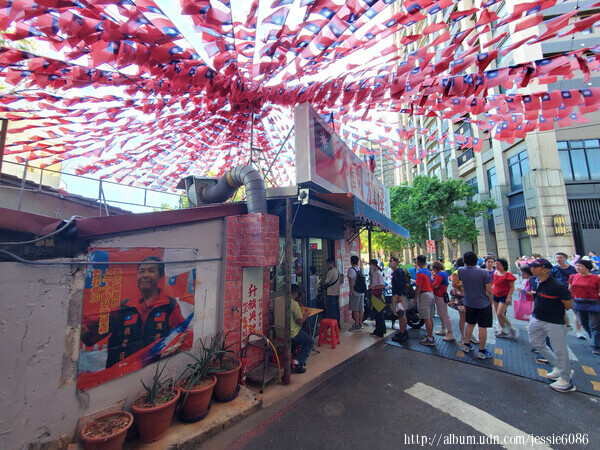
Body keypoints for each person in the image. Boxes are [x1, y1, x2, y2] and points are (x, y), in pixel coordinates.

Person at [81, 256, 190, 368]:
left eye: (151, 271)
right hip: (121, 373)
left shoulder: (169, 305)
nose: (145, 275)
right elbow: (93, 336)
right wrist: (85, 331)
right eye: (141, 271)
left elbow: (184, 336)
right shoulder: (124, 307)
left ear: (161, 276)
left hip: (154, 371)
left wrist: (173, 351)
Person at [527, 258, 576, 392]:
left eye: (535, 267)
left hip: (554, 321)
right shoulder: (534, 281)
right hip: (537, 318)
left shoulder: (557, 286)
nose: (531, 269)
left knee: (560, 350)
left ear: (545, 270)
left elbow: (569, 304)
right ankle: (560, 367)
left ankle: (566, 380)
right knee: (535, 342)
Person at [455, 251, 493, 359]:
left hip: (469, 302)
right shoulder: (484, 273)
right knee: (482, 327)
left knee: (470, 323)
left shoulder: (461, 270)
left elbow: (459, 282)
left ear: (465, 260)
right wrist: (491, 302)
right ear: (476, 260)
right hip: (483, 303)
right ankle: (481, 350)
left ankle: (466, 344)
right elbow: (489, 291)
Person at [275, 284, 313, 373]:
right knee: (309, 341)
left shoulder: (277, 300)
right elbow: (300, 322)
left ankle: (293, 352)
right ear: (295, 292)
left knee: (300, 335)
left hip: (278, 332)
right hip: (290, 333)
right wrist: (306, 314)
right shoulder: (293, 303)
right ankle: (297, 362)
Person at [568, 259, 600, 355]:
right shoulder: (573, 277)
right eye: (576, 265)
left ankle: (596, 345)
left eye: (580, 266)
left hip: (593, 302)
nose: (578, 268)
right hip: (578, 302)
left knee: (594, 325)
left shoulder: (596, 278)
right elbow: (570, 289)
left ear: (587, 267)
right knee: (584, 323)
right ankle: (594, 339)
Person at [551, 252, 583, 338]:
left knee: (576, 311)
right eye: (557, 257)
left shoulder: (572, 269)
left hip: (572, 292)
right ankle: (567, 325)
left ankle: (579, 331)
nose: (558, 259)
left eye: (560, 257)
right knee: (562, 311)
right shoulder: (553, 269)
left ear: (565, 259)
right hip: (559, 292)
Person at [492, 258, 517, 339]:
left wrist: (509, 297)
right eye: (496, 264)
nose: (496, 265)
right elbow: (495, 284)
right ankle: (503, 330)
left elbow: (512, 287)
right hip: (496, 295)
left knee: (500, 313)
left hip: (504, 296)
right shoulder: (496, 273)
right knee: (498, 314)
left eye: (498, 264)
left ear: (503, 265)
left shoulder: (508, 275)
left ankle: (511, 327)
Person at [414, 255, 436, 346]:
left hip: (424, 295)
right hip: (431, 294)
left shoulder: (420, 272)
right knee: (430, 317)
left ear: (418, 262)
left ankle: (430, 339)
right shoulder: (428, 271)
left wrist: (415, 297)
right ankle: (430, 335)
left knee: (426, 318)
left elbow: (418, 286)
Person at [431, 261, 455, 341]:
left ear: (435, 268)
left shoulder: (439, 275)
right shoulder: (444, 274)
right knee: (441, 313)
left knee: (444, 314)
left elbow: (435, 285)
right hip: (443, 295)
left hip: (440, 295)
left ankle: (450, 333)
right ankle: (444, 329)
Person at [390, 256, 409, 343]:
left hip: (399, 296)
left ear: (396, 262)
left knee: (401, 314)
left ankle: (402, 333)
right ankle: (403, 331)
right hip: (399, 295)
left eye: (392, 261)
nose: (390, 263)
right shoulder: (397, 271)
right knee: (401, 314)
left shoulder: (398, 272)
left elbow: (400, 283)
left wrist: (399, 295)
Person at [369, 258, 387, 338]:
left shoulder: (378, 273)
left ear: (373, 265)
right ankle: (380, 330)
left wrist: (374, 288)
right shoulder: (373, 273)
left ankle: (379, 331)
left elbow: (382, 285)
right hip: (374, 295)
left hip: (378, 296)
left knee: (379, 314)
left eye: (370, 265)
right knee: (378, 314)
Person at [321, 257, 340, 328]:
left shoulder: (330, 271)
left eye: (327, 264)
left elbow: (326, 282)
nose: (327, 265)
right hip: (336, 293)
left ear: (331, 263)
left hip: (331, 293)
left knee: (332, 310)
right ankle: (337, 324)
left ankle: (333, 325)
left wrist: (322, 285)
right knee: (336, 309)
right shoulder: (336, 270)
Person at [347, 255, 364, 332]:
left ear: (351, 261)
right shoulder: (360, 269)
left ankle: (356, 325)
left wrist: (352, 291)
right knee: (361, 309)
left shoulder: (351, 270)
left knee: (355, 309)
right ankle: (360, 323)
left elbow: (350, 280)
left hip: (355, 292)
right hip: (361, 292)